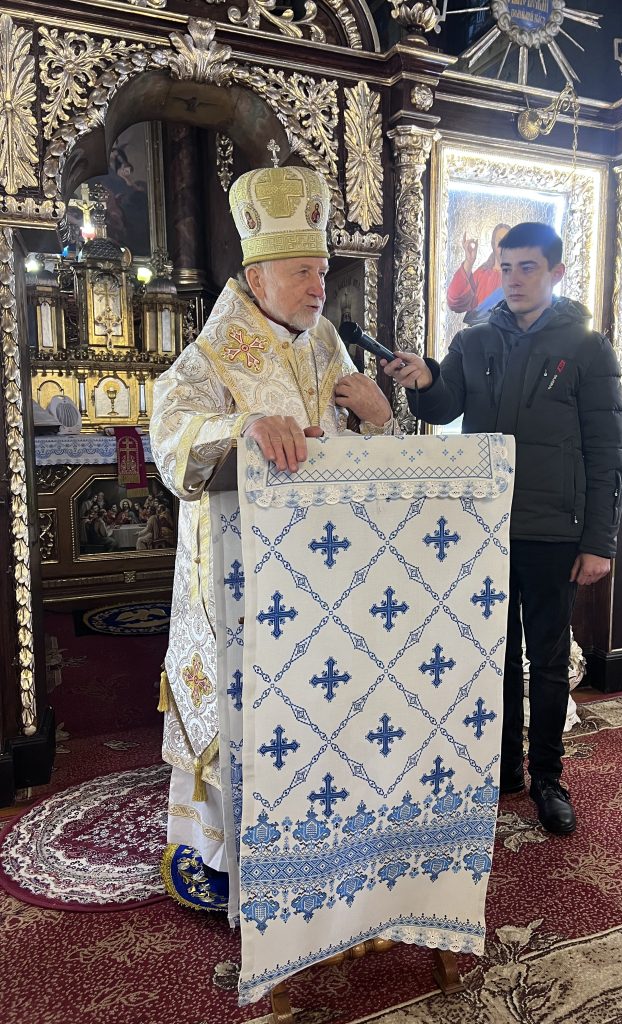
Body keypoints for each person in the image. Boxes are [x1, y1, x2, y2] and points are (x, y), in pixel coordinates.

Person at [150, 161, 393, 871]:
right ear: (257, 280)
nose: (320, 287)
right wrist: (245, 426)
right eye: (302, 273)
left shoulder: (327, 343)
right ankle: (226, 855)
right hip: (244, 579)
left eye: (322, 271)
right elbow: (168, 429)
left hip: (324, 573)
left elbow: (353, 451)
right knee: (243, 711)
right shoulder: (217, 349)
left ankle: (310, 839)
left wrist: (377, 417)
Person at [383, 221, 622, 835]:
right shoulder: (474, 339)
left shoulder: (588, 347)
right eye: (506, 266)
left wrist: (599, 542)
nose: (513, 279)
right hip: (482, 528)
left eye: (528, 268)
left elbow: (607, 453)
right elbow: (445, 406)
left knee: (547, 659)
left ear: (555, 273)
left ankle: (547, 776)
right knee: (493, 655)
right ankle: (502, 766)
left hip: (553, 530)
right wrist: (424, 380)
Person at [446, 222, 511, 324]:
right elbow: (455, 301)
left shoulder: (519, 279)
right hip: (479, 333)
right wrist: (469, 262)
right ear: (493, 245)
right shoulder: (482, 275)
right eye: (500, 241)